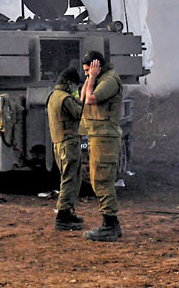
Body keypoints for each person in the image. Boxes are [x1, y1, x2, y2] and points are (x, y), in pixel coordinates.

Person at [79, 50, 124, 241]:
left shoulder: (110, 81)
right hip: (97, 136)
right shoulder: (97, 79)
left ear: (98, 66)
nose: (87, 73)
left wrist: (93, 78)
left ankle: (110, 224)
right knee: (97, 179)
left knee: (103, 180)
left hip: (105, 137)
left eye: (89, 69)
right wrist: (90, 78)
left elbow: (90, 99)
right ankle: (109, 223)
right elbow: (82, 96)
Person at [47, 66, 84, 230]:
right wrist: (78, 97)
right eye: (75, 85)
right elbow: (79, 113)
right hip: (69, 143)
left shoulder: (54, 96)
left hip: (59, 143)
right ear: (69, 83)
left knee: (68, 178)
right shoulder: (66, 99)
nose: (76, 88)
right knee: (70, 179)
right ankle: (62, 216)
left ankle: (68, 212)